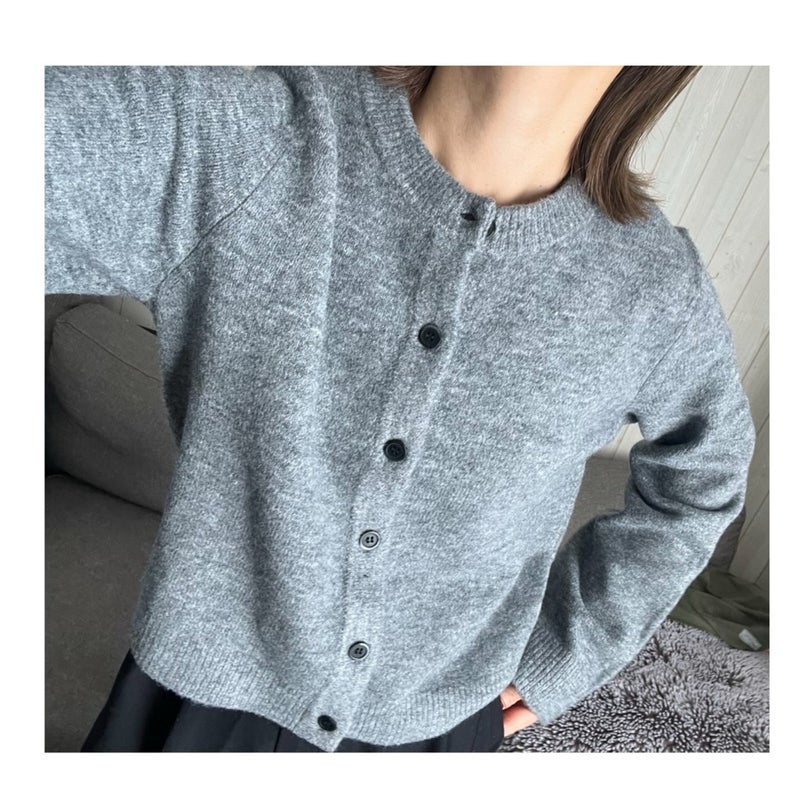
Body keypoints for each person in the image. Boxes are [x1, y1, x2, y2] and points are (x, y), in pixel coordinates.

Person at [45, 65, 756, 752]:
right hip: (193, 711)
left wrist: (571, 651)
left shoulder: (656, 292)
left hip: (437, 735)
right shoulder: (250, 141)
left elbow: (704, 481)